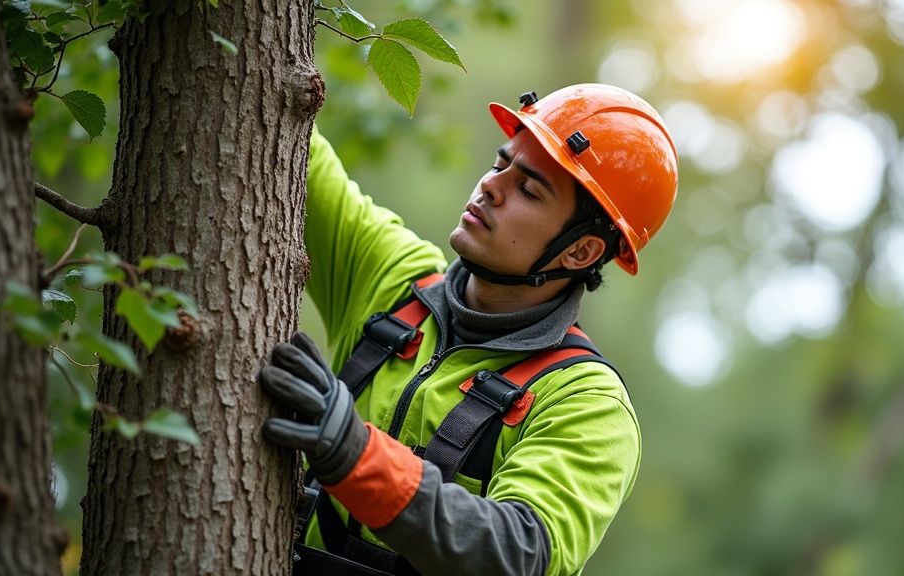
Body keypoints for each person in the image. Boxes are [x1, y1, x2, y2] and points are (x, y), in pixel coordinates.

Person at [257, 83, 679, 575]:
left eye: (529, 189)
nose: (491, 187)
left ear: (580, 251)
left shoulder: (586, 403)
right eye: (501, 165)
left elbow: (516, 552)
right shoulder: (394, 280)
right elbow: (285, 139)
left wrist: (357, 456)